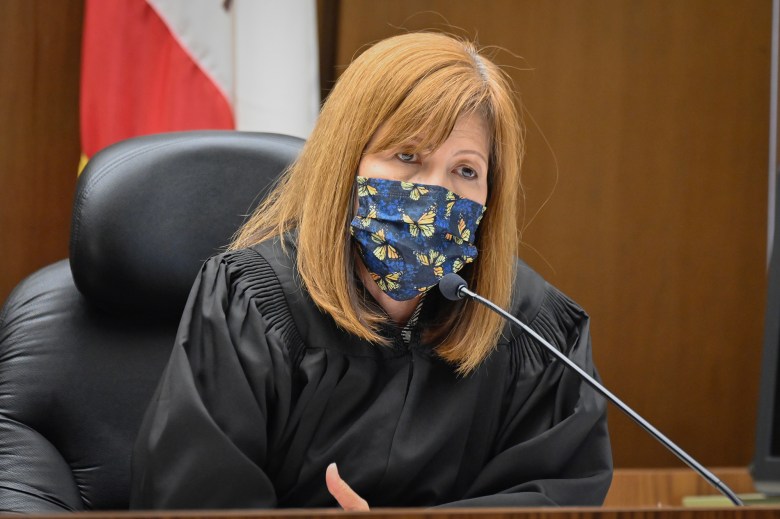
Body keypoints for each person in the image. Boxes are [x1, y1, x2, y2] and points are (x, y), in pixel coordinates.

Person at [130, 32, 612, 510]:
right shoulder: (252, 302)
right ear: (346, 164)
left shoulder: (537, 331)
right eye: (407, 156)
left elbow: (555, 498)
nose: (434, 192)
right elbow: (195, 499)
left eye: (465, 170)